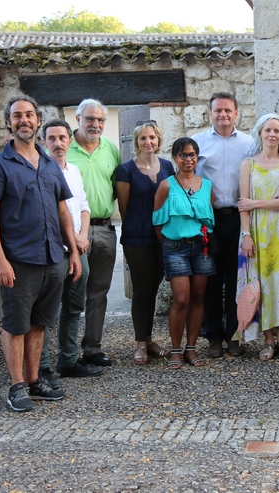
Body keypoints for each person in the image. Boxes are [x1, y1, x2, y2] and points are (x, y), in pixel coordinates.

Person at [0, 95, 81, 412]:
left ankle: (35, 380)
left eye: (29, 115)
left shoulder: (50, 162)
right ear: (8, 123)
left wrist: (73, 253)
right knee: (14, 325)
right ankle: (16, 386)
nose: (24, 120)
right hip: (18, 261)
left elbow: (63, 210)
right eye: (17, 116)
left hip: (54, 257)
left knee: (39, 323)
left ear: (37, 120)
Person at [193, 92, 254, 358]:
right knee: (211, 279)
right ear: (210, 113)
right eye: (218, 111)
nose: (223, 115)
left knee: (236, 278)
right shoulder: (198, 143)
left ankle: (234, 335)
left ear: (237, 113)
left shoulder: (250, 144)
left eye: (228, 110)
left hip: (240, 218)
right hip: (210, 220)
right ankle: (213, 336)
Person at [41, 119, 103, 379]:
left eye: (62, 138)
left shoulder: (74, 171)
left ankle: (67, 360)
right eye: (52, 138)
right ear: (44, 142)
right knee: (45, 312)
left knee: (74, 307)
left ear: (70, 140)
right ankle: (40, 366)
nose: (57, 143)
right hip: (53, 251)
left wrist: (81, 235)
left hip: (78, 249)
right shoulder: (40, 171)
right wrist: (70, 239)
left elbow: (84, 206)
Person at [237, 114, 279, 360]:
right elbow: (243, 205)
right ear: (260, 133)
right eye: (268, 130)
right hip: (255, 231)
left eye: (277, 131)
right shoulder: (248, 165)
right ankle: (268, 341)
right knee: (260, 284)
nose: (272, 135)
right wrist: (245, 235)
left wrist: (256, 202)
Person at [67, 98, 121, 367]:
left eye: (100, 120)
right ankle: (66, 351)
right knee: (73, 290)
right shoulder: (64, 147)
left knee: (99, 291)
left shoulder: (110, 148)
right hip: (73, 232)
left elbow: (118, 187)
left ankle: (92, 348)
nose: (95, 124)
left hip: (104, 228)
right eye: (90, 119)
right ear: (77, 119)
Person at [153, 137, 215, 369]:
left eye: (192, 154)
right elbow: (157, 221)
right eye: (182, 155)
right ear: (175, 158)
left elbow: (210, 217)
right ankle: (176, 350)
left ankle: (191, 348)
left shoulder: (207, 185)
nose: (188, 159)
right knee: (181, 299)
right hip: (175, 247)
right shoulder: (166, 185)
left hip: (201, 247)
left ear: (197, 157)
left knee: (199, 297)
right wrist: (171, 241)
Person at [116, 121, 175, 363]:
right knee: (141, 290)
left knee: (153, 287)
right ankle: (141, 342)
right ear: (136, 142)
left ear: (158, 140)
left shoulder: (168, 167)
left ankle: (149, 339)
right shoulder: (126, 170)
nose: (147, 142)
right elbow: (124, 207)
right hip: (137, 237)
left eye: (152, 137)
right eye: (142, 138)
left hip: (163, 237)